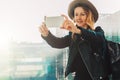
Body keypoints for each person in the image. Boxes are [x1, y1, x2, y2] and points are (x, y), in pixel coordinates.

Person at [39, 0, 111, 80]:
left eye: (82, 14)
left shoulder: (97, 31)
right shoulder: (73, 35)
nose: (78, 18)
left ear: (89, 16)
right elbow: (58, 43)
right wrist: (47, 34)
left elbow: (98, 39)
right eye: (76, 15)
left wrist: (78, 30)